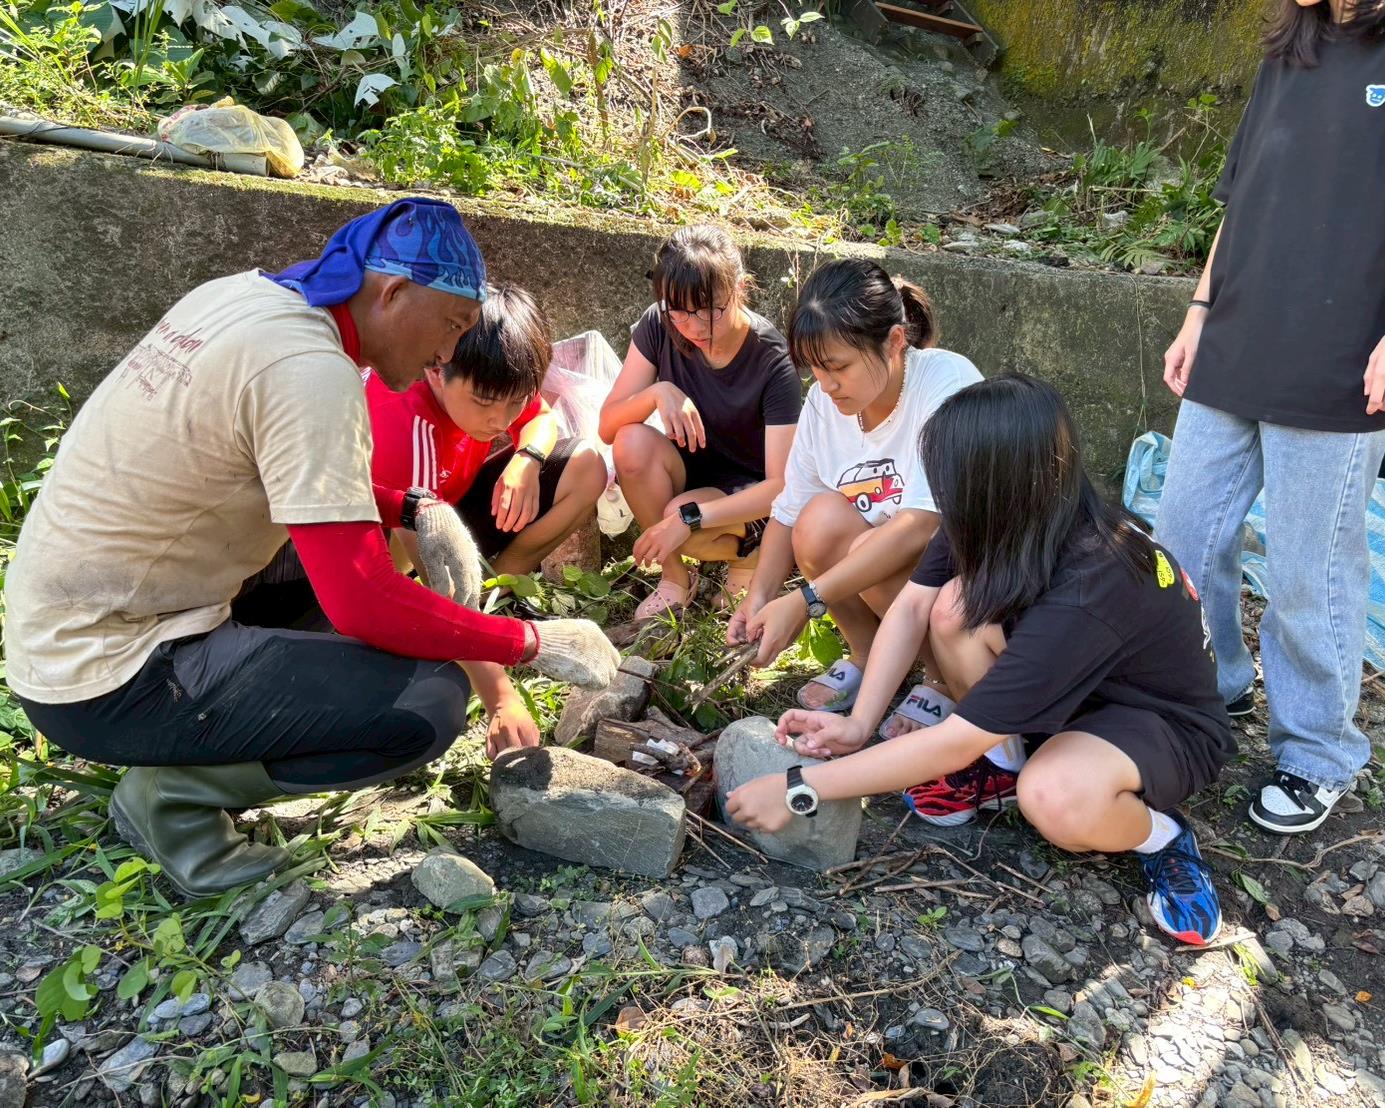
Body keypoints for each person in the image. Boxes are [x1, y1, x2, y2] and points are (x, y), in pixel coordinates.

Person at [3, 199, 619, 900]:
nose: (447, 352)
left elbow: (266, 464)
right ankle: (171, 801)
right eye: (451, 325)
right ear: (392, 293)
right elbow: (363, 602)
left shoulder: (247, 298)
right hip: (108, 674)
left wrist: (408, 507)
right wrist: (531, 642)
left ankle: (212, 723)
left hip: (68, 629)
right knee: (428, 703)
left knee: (351, 595)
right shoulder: (312, 369)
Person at [728, 376, 1235, 947]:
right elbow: (914, 605)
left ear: (996, 482)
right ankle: (1005, 764)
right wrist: (859, 723)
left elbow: (952, 741)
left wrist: (802, 787)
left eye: (949, 481)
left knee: (1053, 798)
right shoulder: (1008, 511)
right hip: (1072, 685)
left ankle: (1162, 837)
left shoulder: (1092, 579)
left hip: (1158, 723)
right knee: (952, 607)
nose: (942, 495)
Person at [1155, 0, 1385, 834]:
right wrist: (1197, 311)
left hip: (1339, 355)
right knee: (1179, 539)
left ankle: (1317, 751)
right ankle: (1213, 681)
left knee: (1305, 571)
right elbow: (1239, 198)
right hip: (1237, 334)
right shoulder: (1289, 49)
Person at [726, 258, 981, 712]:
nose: (826, 385)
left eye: (838, 367)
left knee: (870, 544)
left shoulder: (946, 383)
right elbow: (788, 511)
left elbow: (922, 526)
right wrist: (759, 597)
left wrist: (805, 601)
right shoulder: (824, 406)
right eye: (815, 369)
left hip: (965, 578)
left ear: (895, 341)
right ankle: (868, 653)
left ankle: (941, 677)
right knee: (818, 521)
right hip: (895, 580)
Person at [599, 225, 801, 618]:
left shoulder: (773, 361)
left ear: (739, 288)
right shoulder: (659, 325)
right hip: (689, 475)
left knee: (681, 514)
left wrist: (686, 519)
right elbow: (607, 426)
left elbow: (781, 486)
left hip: (751, 497)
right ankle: (674, 576)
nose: (693, 326)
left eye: (710, 310)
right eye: (677, 310)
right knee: (630, 441)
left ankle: (749, 556)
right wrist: (657, 393)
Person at [368, 282, 608, 580]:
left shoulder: (488, 375)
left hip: (445, 506)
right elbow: (430, 556)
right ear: (436, 369)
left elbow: (541, 418)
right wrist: (447, 595)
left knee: (586, 465)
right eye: (484, 402)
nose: (501, 421)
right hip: (380, 543)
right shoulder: (403, 425)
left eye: (516, 401)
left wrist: (528, 459)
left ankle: (496, 585)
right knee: (437, 581)